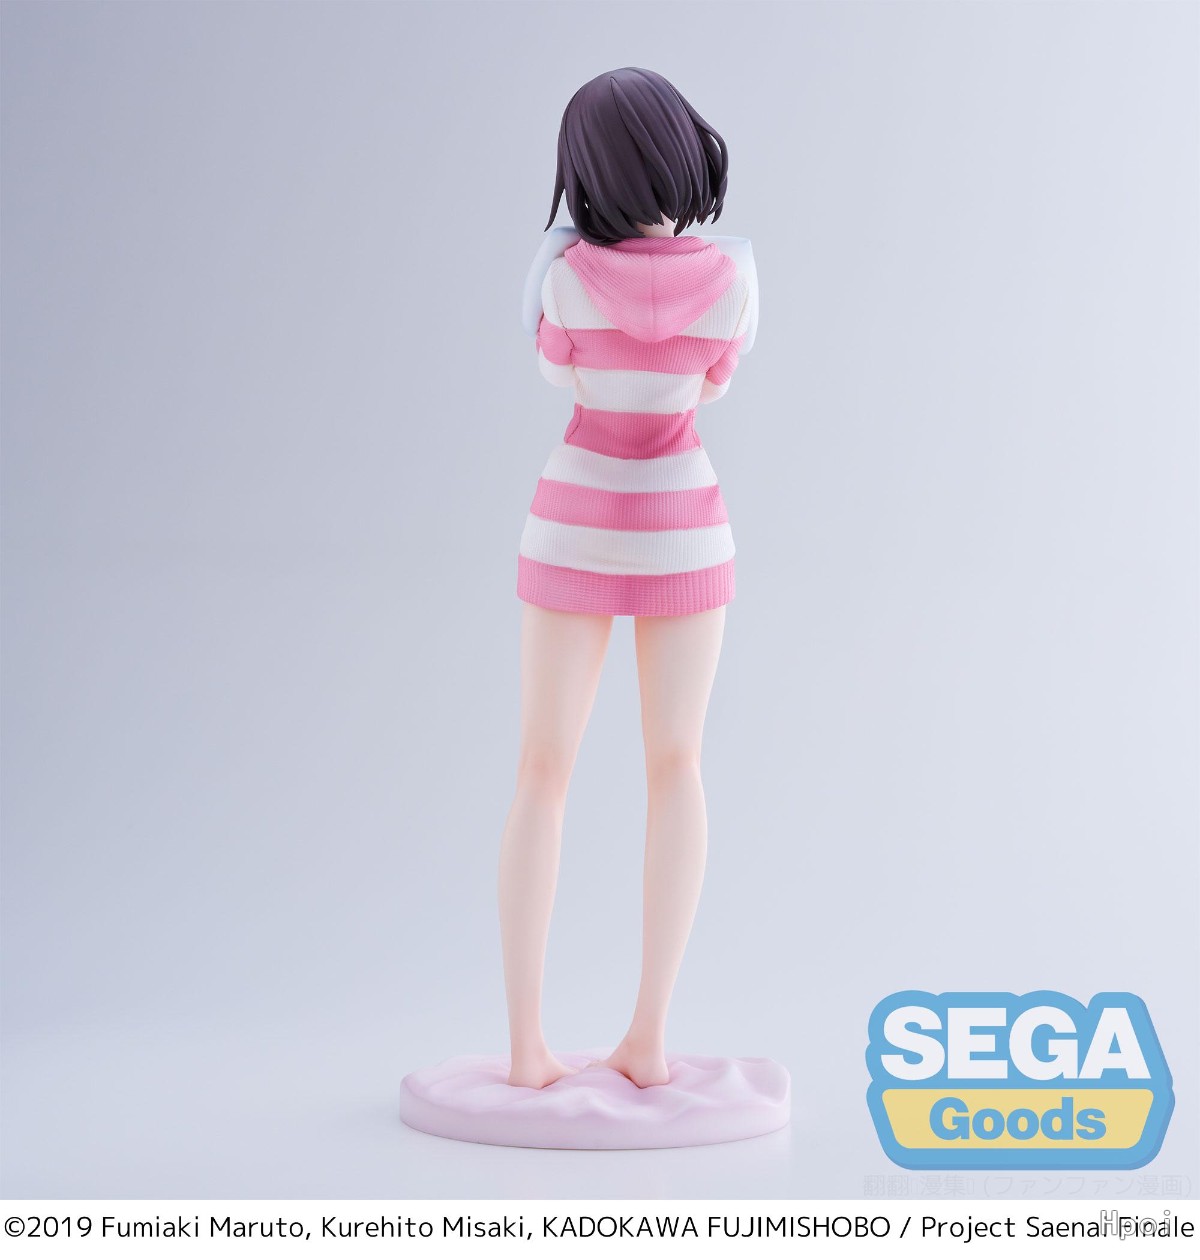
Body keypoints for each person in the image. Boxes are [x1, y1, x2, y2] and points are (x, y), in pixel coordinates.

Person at [499, 67, 758, 1089]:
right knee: (677, 767)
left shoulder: (563, 278)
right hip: (685, 529)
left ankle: (527, 1049)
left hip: (572, 523)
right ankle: (647, 1039)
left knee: (541, 771)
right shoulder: (733, 281)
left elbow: (556, 367)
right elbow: (713, 383)